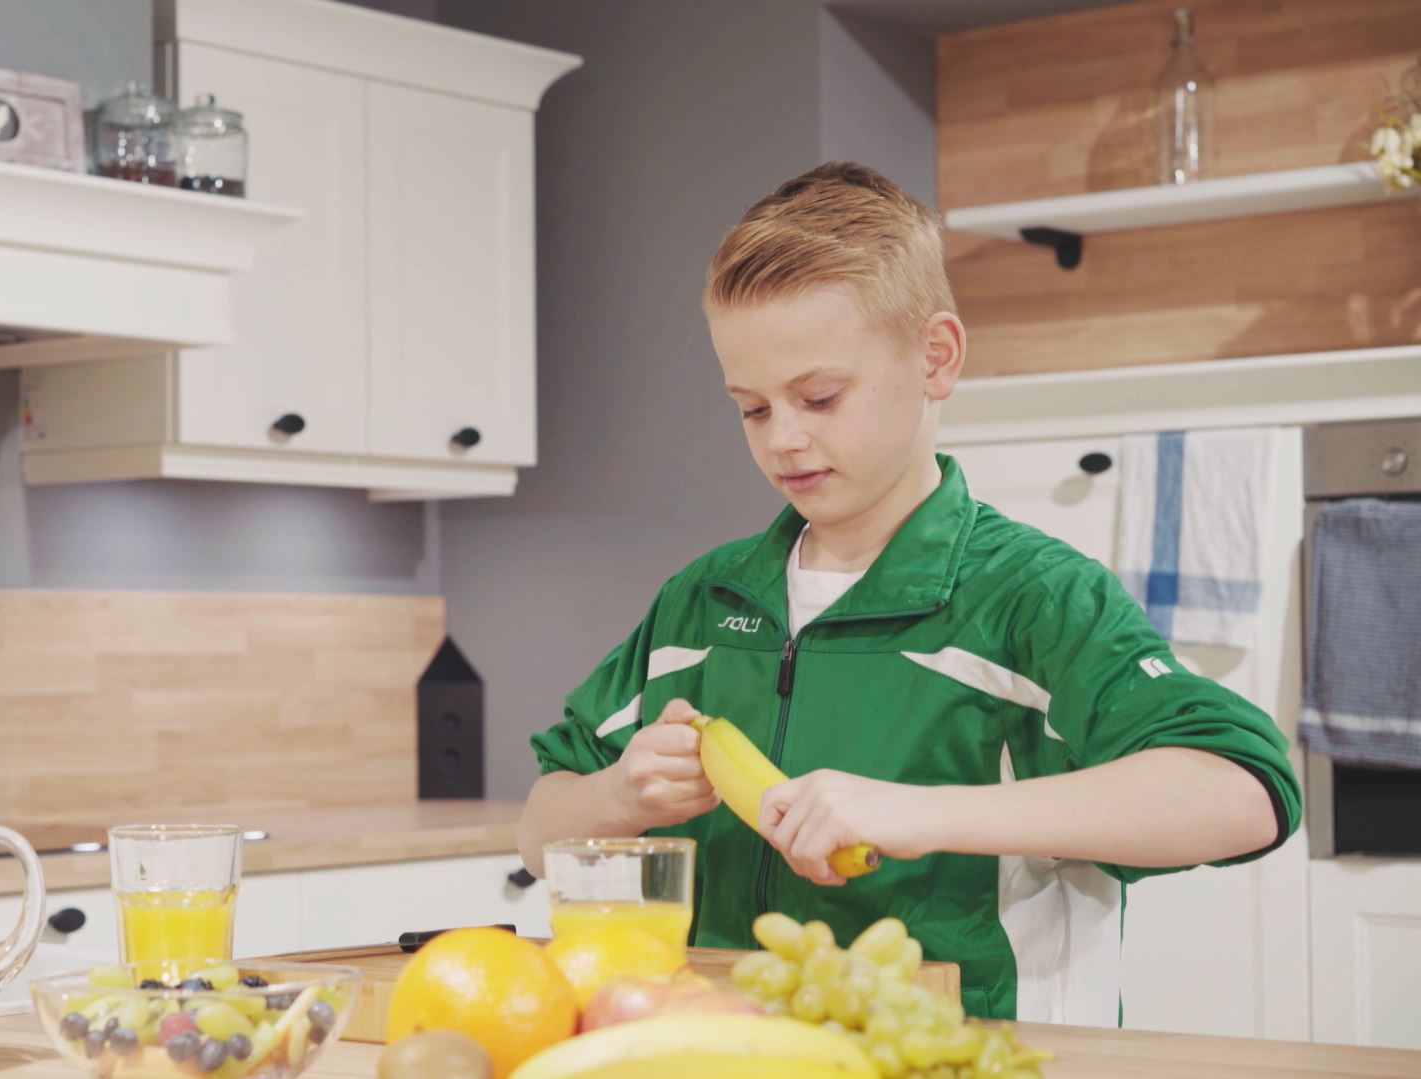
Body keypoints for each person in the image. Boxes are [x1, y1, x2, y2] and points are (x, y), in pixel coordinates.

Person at [516, 161, 1299, 1023]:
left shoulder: (1031, 595)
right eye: (750, 407)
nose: (785, 438)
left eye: (819, 395)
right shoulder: (701, 601)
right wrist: (616, 798)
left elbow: (1243, 792)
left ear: (935, 357)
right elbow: (539, 830)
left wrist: (919, 813)